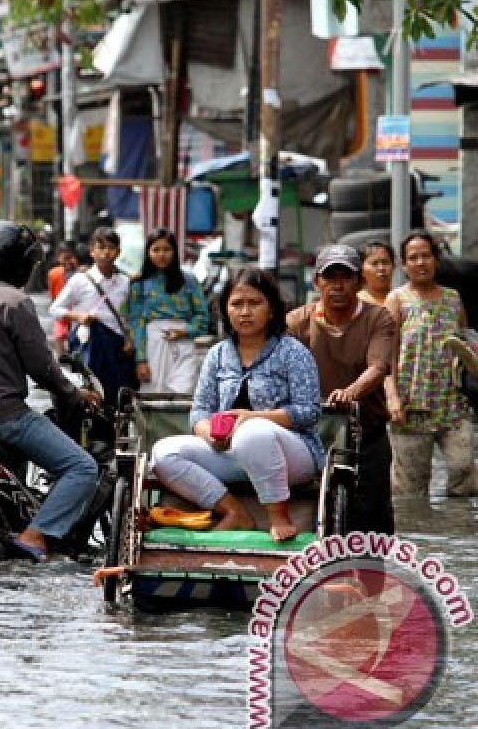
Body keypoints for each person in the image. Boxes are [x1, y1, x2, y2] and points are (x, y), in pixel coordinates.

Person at [0, 221, 101, 561]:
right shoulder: (15, 301)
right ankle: (35, 535)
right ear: (19, 263)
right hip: (1, 416)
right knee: (82, 467)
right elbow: (41, 365)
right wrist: (72, 393)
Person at [151, 268, 324, 542]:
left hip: (291, 453)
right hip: (230, 451)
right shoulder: (216, 355)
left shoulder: (293, 352)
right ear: (226, 310)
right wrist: (208, 432)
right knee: (163, 453)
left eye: (254, 303)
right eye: (237, 304)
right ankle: (234, 513)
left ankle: (278, 515)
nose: (245, 312)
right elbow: (199, 411)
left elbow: (309, 411)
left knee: (253, 432)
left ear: (271, 309)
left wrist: (253, 417)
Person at [287, 245, 397, 533]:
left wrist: (351, 392)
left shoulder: (378, 318)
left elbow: (378, 366)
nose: (338, 286)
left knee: (373, 525)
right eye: (330, 277)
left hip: (367, 433)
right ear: (317, 282)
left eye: (346, 277)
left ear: (359, 282)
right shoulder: (297, 322)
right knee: (311, 518)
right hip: (311, 436)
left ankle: (373, 577)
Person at [384, 232, 475, 497]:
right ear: (404, 265)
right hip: (411, 405)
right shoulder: (397, 300)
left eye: (426, 256)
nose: (420, 262)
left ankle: (457, 532)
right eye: (413, 258)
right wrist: (392, 398)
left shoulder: (454, 299)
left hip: (453, 403)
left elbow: (466, 343)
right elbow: (386, 354)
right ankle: (415, 535)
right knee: (410, 490)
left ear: (436, 260)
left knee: (464, 472)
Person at [49, 226, 135, 410]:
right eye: (101, 247)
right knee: (90, 392)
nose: (106, 252)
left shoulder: (125, 282)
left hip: (116, 347)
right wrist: (78, 316)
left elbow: (131, 315)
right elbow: (55, 309)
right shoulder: (79, 280)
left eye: (111, 247)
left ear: (118, 252)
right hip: (88, 346)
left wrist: (130, 338)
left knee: (117, 396)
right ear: (92, 251)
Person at [123, 228, 209, 394]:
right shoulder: (139, 284)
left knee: (184, 391)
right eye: (156, 249)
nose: (161, 254)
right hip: (153, 343)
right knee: (154, 393)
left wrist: (185, 331)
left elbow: (202, 316)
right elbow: (136, 322)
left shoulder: (189, 280)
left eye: (166, 249)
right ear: (148, 252)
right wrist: (141, 360)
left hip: (184, 343)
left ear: (174, 252)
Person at [357, 240, 395, 307]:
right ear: (361, 270)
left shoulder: (402, 300)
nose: (381, 268)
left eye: (385, 262)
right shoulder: (356, 303)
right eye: (374, 263)